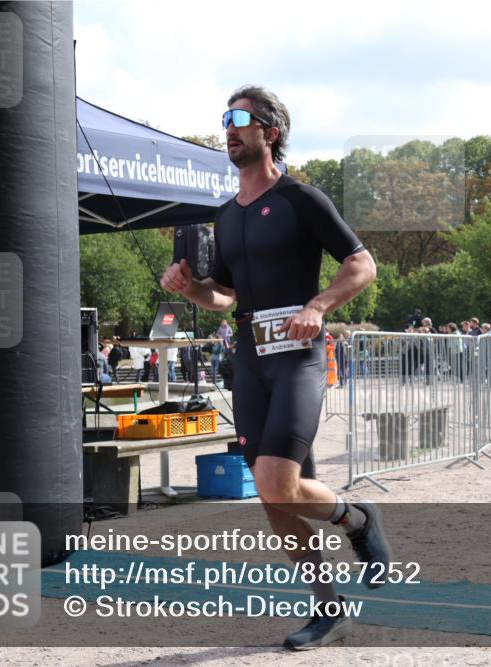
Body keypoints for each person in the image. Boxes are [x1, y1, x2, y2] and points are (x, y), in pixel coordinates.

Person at [160, 85, 387, 650]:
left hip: (298, 359)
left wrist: (318, 306)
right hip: (251, 361)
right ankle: (328, 607)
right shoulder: (225, 216)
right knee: (275, 496)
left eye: (239, 118)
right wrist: (192, 289)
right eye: (225, 120)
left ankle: (358, 520)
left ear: (271, 130)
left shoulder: (300, 199)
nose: (228, 128)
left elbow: (363, 265)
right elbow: (225, 299)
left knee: (275, 481)